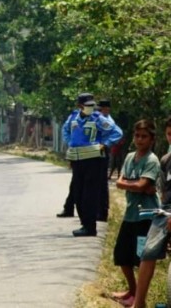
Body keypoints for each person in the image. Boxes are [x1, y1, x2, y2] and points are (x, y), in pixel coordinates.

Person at [110, 119, 160, 308]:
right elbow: (121, 181)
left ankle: (139, 299)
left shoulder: (152, 160)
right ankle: (132, 291)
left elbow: (141, 185)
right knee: (122, 255)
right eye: (137, 135)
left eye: (144, 136)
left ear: (152, 139)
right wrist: (135, 185)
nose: (140, 140)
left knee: (142, 259)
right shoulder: (130, 157)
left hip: (146, 217)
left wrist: (133, 185)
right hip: (130, 214)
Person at [61, 92, 122, 236]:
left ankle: (90, 226)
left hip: (94, 160)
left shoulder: (98, 118)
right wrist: (70, 142)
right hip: (77, 160)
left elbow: (117, 132)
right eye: (87, 105)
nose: (90, 108)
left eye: (92, 105)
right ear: (80, 105)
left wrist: (105, 144)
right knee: (78, 193)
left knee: (90, 194)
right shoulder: (73, 118)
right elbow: (65, 130)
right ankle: (85, 223)